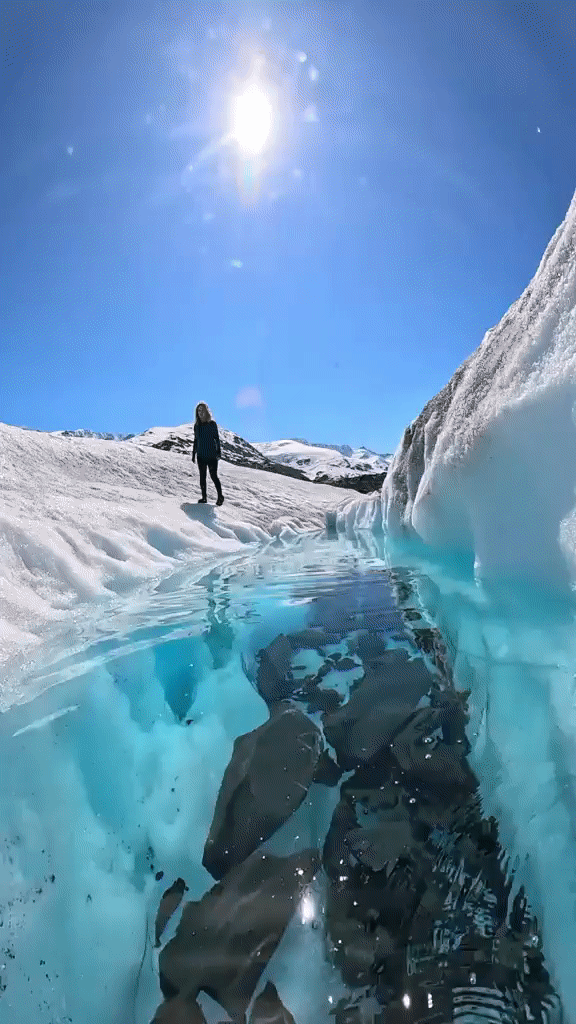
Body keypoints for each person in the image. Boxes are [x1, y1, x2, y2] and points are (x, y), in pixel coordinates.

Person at [192, 402, 224, 505]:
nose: (200, 412)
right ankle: (204, 498)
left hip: (211, 455)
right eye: (199, 410)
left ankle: (220, 496)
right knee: (202, 477)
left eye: (202, 410)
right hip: (201, 456)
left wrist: (218, 452)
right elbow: (196, 440)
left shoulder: (212, 424)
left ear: (206, 411)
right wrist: (193, 454)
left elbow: (217, 439)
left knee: (213, 476)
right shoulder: (196, 426)